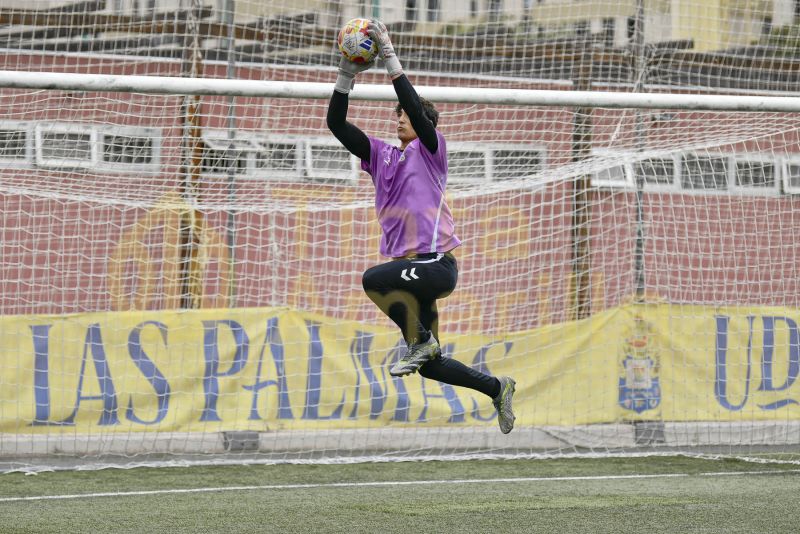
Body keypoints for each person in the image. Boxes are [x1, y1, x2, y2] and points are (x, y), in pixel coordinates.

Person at [326, 19, 517, 434]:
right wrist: (346, 75)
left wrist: (390, 58)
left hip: (435, 266)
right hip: (412, 272)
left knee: (374, 278)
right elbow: (337, 126)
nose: (399, 119)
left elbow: (414, 106)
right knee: (430, 368)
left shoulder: (432, 152)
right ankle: (497, 388)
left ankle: (418, 340)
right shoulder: (380, 156)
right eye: (396, 116)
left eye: (405, 116)